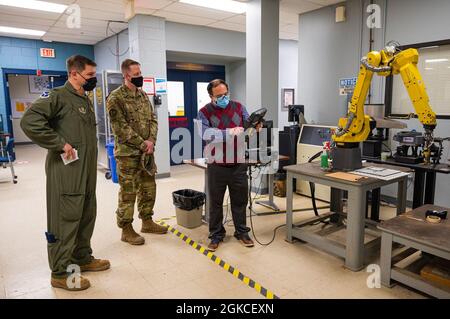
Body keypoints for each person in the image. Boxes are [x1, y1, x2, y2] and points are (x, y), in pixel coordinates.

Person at [21, 55, 110, 291]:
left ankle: (82, 257)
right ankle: (60, 272)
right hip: (67, 171)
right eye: (90, 76)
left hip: (86, 170)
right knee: (66, 218)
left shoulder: (84, 97)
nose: (93, 80)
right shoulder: (57, 96)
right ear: (74, 74)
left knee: (86, 212)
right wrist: (59, 143)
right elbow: (29, 121)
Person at [107, 59, 168, 245]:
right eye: (136, 74)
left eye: (140, 72)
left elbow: (153, 119)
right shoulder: (116, 98)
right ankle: (126, 229)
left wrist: (151, 141)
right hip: (128, 154)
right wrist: (143, 144)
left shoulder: (142, 96)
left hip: (147, 152)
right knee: (128, 192)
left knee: (149, 188)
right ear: (126, 76)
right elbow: (120, 128)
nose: (140, 77)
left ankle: (147, 221)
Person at [197, 79, 261, 252]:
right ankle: (216, 235)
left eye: (226, 94)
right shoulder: (204, 112)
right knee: (215, 203)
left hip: (238, 163)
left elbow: (248, 128)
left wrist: (255, 128)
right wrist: (228, 132)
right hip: (216, 164)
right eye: (219, 96)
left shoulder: (239, 107)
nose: (224, 98)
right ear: (211, 96)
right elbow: (205, 133)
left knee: (240, 201)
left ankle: (242, 232)